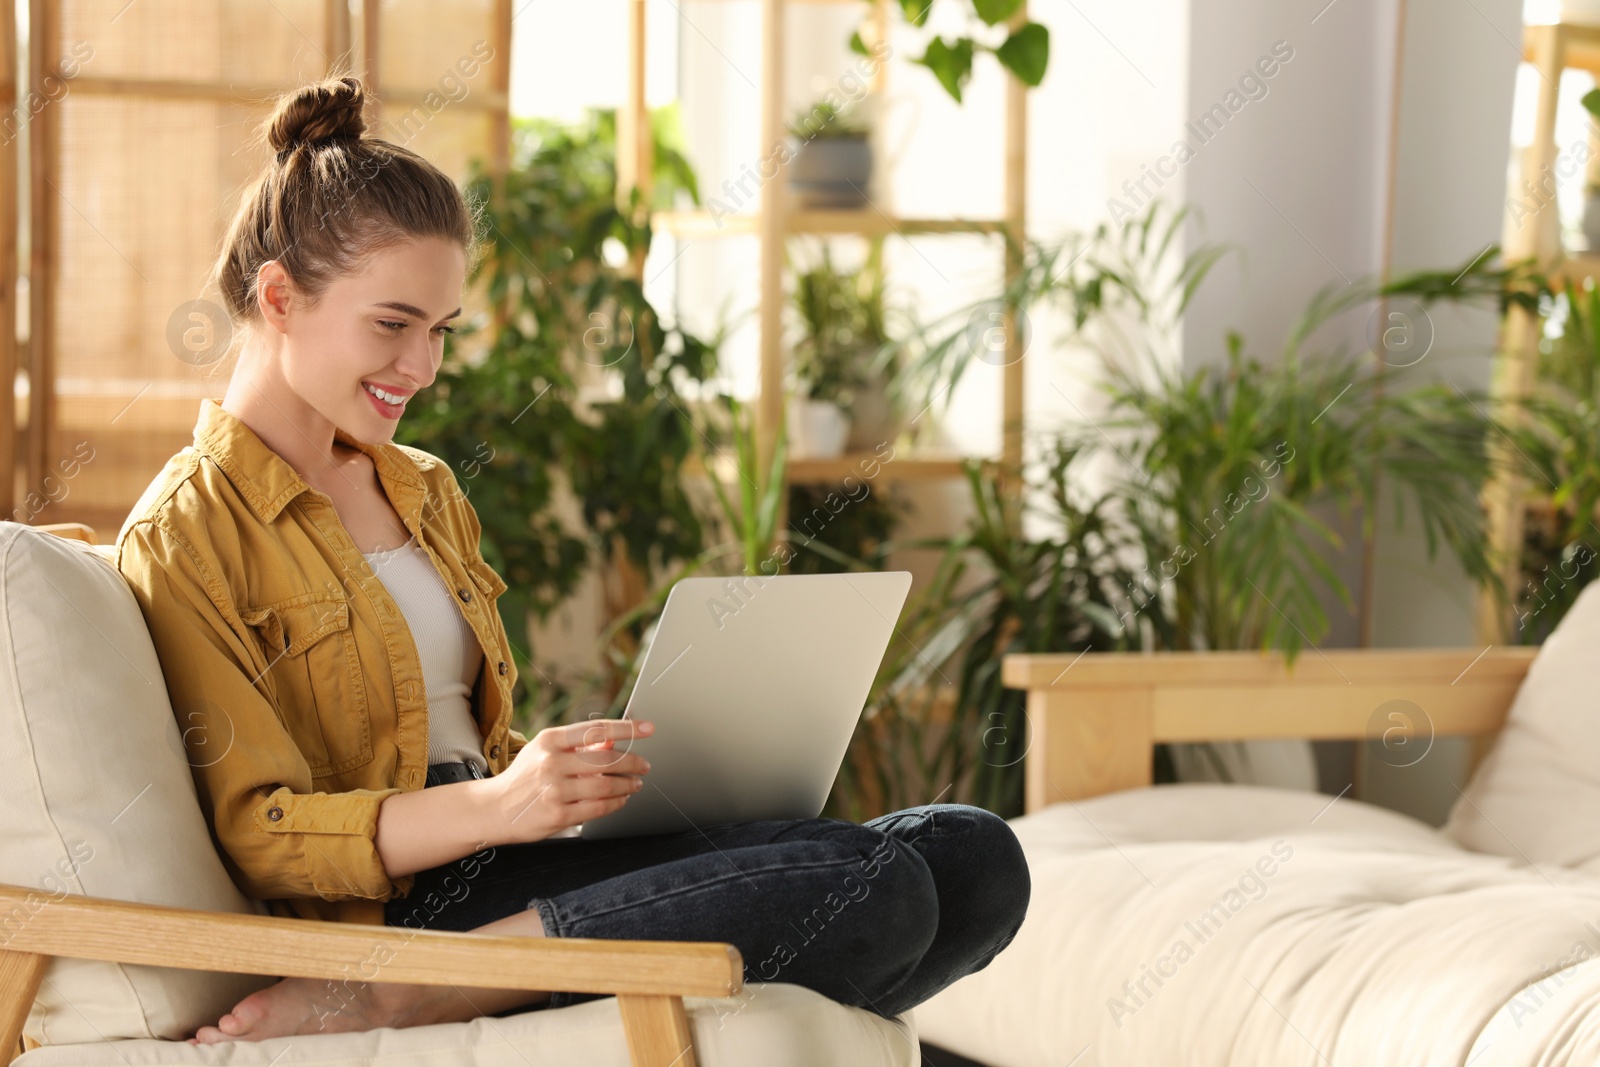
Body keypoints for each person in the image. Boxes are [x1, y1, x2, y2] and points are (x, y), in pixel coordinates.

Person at [114, 74, 1031, 1045]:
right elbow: (263, 829)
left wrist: (561, 792)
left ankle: (630, 975)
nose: (420, 369)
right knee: (875, 884)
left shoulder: (421, 485)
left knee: (973, 855)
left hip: (512, 863)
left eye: (438, 332)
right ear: (280, 297)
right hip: (396, 917)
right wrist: (498, 803)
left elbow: (470, 735)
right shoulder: (187, 531)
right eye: (392, 324)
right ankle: (413, 991)